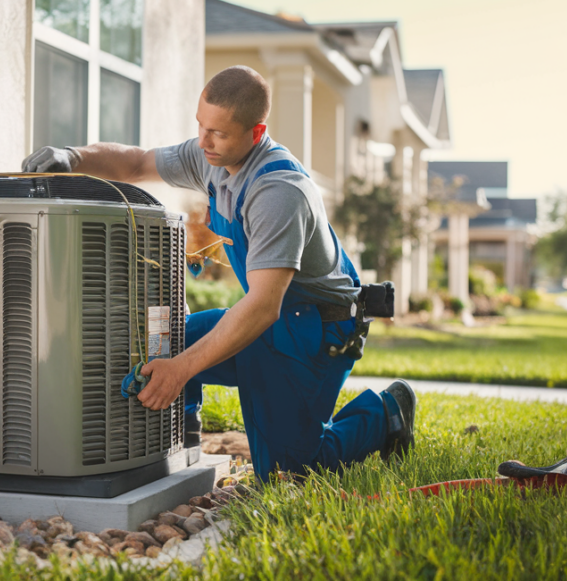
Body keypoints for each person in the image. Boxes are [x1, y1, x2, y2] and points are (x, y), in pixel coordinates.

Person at [22, 66, 415, 481]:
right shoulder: (211, 156)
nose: (204, 142)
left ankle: (385, 413)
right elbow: (136, 163)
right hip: (275, 318)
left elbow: (263, 306)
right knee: (164, 341)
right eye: (200, 126)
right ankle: (177, 443)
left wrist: (182, 370)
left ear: (257, 132)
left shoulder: (278, 192)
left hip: (316, 332)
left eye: (219, 134)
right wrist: (73, 157)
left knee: (288, 472)